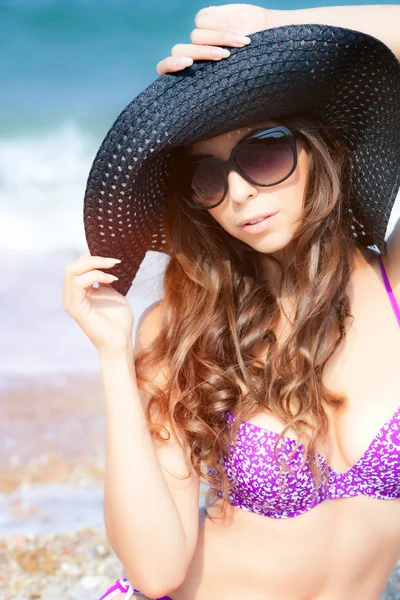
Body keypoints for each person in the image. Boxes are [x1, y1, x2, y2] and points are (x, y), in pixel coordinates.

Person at [62, 4, 400, 600]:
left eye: (264, 152)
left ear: (325, 149)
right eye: (208, 178)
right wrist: (114, 356)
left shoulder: (393, 284)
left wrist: (275, 28)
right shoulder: (183, 329)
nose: (239, 192)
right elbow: (157, 571)